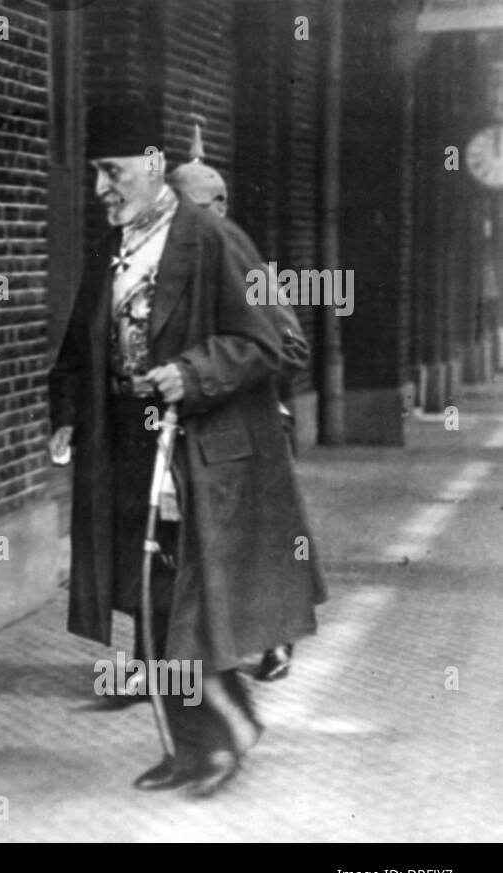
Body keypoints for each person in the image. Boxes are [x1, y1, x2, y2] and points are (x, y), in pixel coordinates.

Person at [47, 100, 326, 798]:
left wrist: (193, 372)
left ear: (151, 163)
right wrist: (67, 411)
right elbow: (82, 344)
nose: (101, 189)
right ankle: (191, 742)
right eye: (93, 175)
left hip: (196, 450)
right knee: (147, 601)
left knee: (180, 601)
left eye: (111, 172)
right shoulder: (109, 246)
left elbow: (273, 339)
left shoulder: (212, 239)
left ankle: (219, 736)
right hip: (123, 449)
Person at [168, 121, 305, 683]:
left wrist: (217, 373)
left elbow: (289, 346)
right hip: (185, 426)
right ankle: (177, 659)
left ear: (216, 208)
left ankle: (276, 639)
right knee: (185, 544)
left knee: (262, 541)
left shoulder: (240, 260)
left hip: (248, 424)